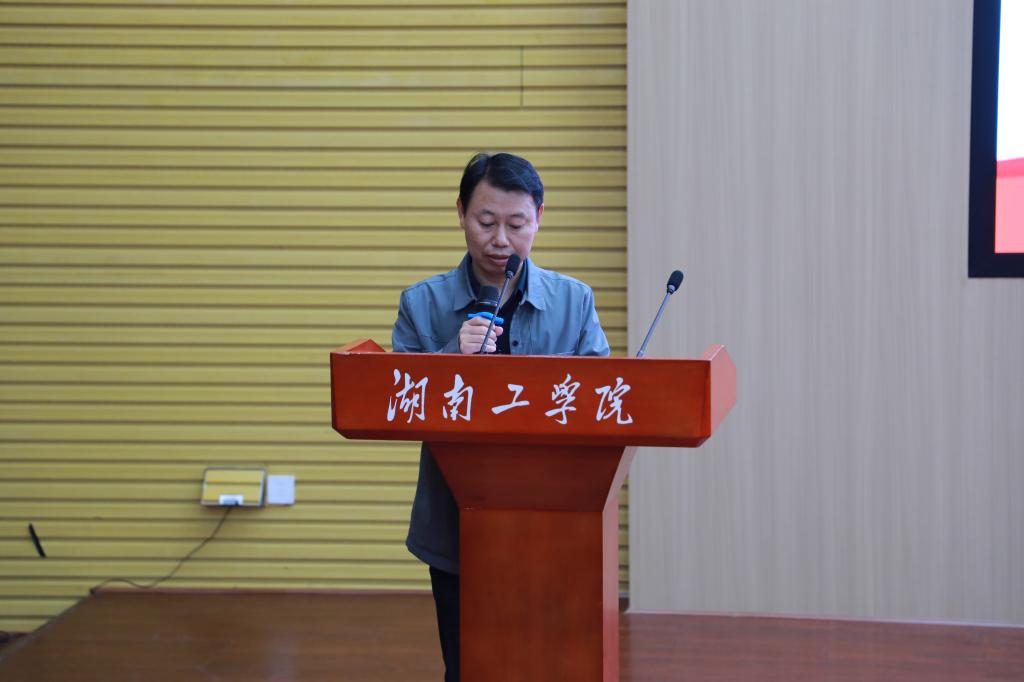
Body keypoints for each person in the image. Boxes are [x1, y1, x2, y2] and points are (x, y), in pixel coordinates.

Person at [390, 152, 609, 682]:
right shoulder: (421, 304)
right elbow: (398, 407)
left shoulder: (574, 302)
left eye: (517, 224)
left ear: (539, 218)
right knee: (468, 666)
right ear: (461, 213)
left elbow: (600, 402)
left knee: (550, 663)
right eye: (486, 222)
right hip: (456, 522)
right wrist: (450, 357)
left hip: (553, 521)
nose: (500, 241)